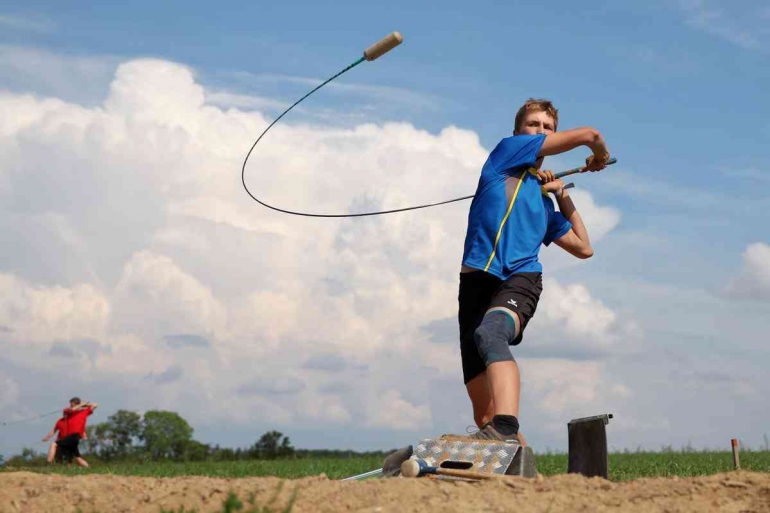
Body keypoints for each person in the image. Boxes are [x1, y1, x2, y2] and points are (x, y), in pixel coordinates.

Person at [458, 98, 610, 443]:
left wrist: (561, 196)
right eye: (533, 124)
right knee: (485, 414)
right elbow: (591, 136)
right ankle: (531, 484)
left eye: (547, 127)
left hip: (519, 279)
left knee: (491, 334)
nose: (540, 131)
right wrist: (598, 158)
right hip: (474, 285)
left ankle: (507, 426)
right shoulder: (504, 156)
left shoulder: (541, 201)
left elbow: (583, 248)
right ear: (518, 133)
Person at [57, 397, 98, 467]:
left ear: (76, 404)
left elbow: (95, 405)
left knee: (58, 444)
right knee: (76, 456)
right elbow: (72, 409)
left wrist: (85, 405)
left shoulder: (84, 412)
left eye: (72, 404)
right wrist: (80, 405)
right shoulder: (67, 411)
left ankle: (59, 464)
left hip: (75, 435)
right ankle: (88, 468)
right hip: (69, 436)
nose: (70, 406)